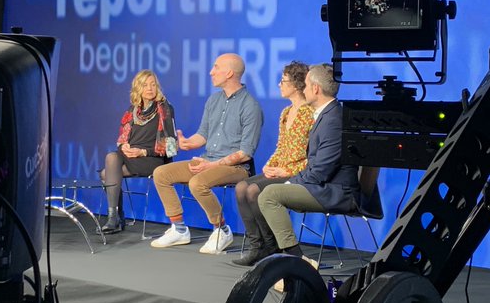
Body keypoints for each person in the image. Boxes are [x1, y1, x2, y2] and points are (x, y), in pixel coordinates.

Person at [150, 53, 263, 253]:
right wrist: (187, 143)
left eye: (216, 67)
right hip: (207, 160)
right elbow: (203, 135)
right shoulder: (213, 100)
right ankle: (179, 228)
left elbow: (245, 152)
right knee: (161, 173)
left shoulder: (250, 106)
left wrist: (212, 165)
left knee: (197, 182)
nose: (211, 72)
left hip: (237, 167)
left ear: (229, 73)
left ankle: (222, 229)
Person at [255, 63, 359, 259]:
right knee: (263, 190)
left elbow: (320, 171)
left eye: (306, 84)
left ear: (316, 89)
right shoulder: (326, 115)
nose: (303, 88)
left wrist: (289, 181)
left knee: (270, 194)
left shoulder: (334, 120)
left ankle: (295, 260)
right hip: (322, 184)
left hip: (334, 191)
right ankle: (285, 257)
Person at [230, 61, 314, 266]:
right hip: (279, 169)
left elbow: (312, 157)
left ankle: (271, 245)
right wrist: (269, 165)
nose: (279, 84)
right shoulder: (286, 112)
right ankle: (256, 245)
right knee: (242, 187)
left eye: (283, 81)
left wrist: (286, 170)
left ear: (296, 85)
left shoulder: (310, 114)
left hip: (297, 171)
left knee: (253, 191)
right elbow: (280, 146)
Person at [99, 70, 175, 234]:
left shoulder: (165, 109)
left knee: (107, 174)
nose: (150, 88)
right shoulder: (132, 110)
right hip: (130, 156)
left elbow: (171, 148)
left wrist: (143, 152)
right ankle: (114, 217)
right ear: (137, 88)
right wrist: (124, 146)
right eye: (145, 85)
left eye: (153, 84)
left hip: (151, 159)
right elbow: (121, 139)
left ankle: (116, 217)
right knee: (112, 156)